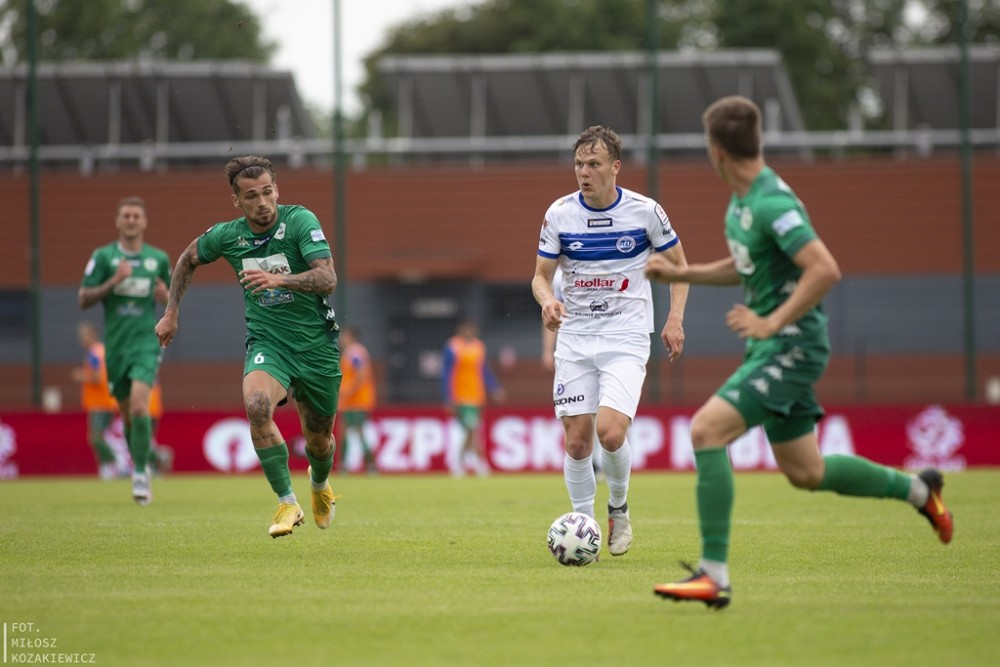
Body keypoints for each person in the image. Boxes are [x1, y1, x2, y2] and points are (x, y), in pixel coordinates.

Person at [646, 95, 953, 609]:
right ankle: (921, 491)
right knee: (806, 471)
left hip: (791, 346)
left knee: (705, 431)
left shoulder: (772, 203)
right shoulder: (743, 203)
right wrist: (683, 272)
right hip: (771, 347)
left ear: (717, 151)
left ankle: (713, 575)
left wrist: (772, 321)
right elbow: (746, 264)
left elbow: (824, 268)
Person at [155, 155, 341, 539]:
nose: (262, 202)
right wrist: (171, 311)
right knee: (257, 406)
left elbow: (327, 278)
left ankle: (320, 484)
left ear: (277, 190)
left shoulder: (300, 221)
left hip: (316, 347)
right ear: (237, 200)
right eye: (251, 196)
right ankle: (287, 501)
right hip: (268, 343)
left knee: (319, 440)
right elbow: (188, 258)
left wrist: (280, 280)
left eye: (267, 192)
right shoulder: (229, 236)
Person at [532, 125, 690, 557]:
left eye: (594, 164)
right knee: (577, 442)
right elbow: (541, 276)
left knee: (611, 433)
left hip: (626, 335)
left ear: (615, 167)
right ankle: (585, 528)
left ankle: (618, 508)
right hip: (576, 337)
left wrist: (675, 318)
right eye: (579, 164)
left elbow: (680, 267)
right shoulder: (559, 213)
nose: (584, 172)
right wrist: (547, 301)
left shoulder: (645, 212)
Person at [79, 196, 170, 505]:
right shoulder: (104, 257)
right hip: (116, 347)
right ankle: (141, 464)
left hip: (146, 343)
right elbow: (83, 298)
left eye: (136, 216)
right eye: (126, 216)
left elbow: (174, 299)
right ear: (118, 221)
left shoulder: (157, 259)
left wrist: (167, 297)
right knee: (129, 416)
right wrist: (113, 282)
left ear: (144, 222)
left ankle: (141, 473)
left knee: (141, 408)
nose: (131, 220)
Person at [441, 318, 505, 476]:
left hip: (477, 395)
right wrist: (448, 396)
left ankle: (462, 460)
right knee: (471, 427)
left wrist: (494, 388)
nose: (469, 332)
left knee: (471, 429)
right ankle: (472, 461)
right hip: (461, 395)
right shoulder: (453, 347)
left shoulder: (479, 346)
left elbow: (483, 370)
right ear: (461, 329)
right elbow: (446, 373)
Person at [70, 321, 122, 480]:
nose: (82, 339)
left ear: (93, 335)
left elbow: (97, 377)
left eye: (84, 335)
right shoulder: (103, 350)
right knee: (99, 437)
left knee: (95, 437)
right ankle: (107, 468)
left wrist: (80, 376)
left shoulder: (94, 353)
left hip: (100, 402)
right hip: (107, 400)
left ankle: (116, 461)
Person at [337, 326, 378, 474]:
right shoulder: (353, 352)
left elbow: (362, 373)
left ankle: (369, 466)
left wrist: (348, 390)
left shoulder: (354, 352)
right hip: (352, 402)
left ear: (350, 337)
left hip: (357, 401)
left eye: (343, 336)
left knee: (355, 432)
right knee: (349, 431)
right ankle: (347, 466)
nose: (341, 339)